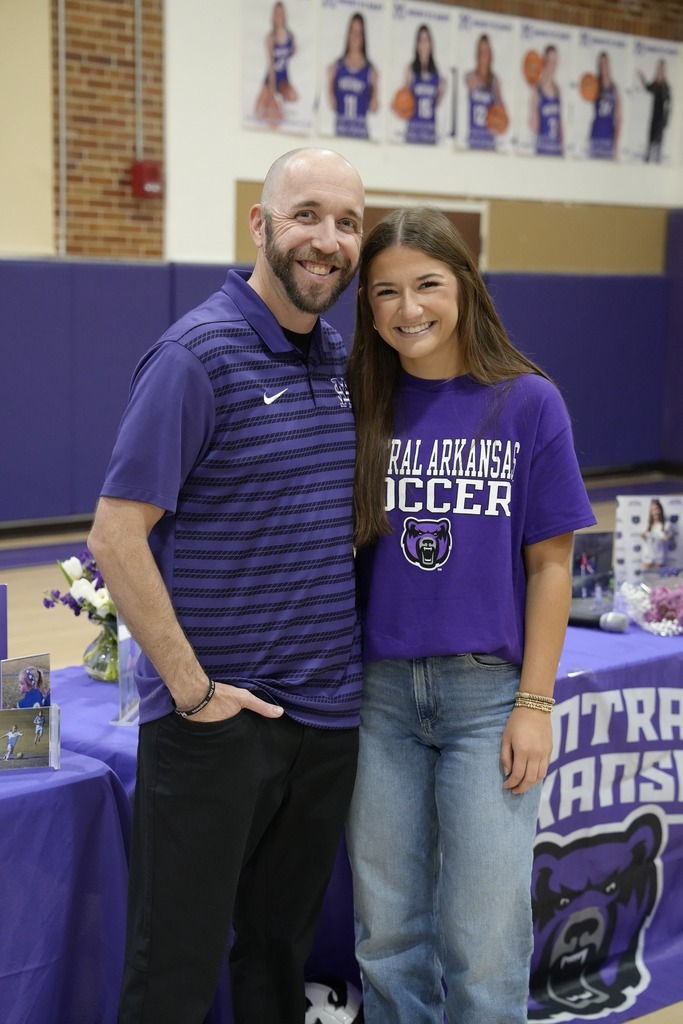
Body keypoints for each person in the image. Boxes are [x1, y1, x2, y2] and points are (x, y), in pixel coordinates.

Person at [87, 147, 365, 1024]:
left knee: (278, 957)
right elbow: (115, 536)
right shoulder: (195, 354)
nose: (327, 240)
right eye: (307, 215)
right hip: (217, 727)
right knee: (174, 970)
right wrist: (194, 692)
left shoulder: (336, 357)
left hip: (324, 724)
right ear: (261, 224)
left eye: (348, 223)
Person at [345, 206, 596, 1024]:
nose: (406, 308)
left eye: (426, 285)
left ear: (463, 286)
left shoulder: (526, 402)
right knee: (386, 934)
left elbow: (550, 565)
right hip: (377, 698)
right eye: (385, 292)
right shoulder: (360, 402)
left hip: (487, 698)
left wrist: (533, 702)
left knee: (483, 938)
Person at [327, 11, 379, 139]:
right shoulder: (338, 66)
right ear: (348, 34)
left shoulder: (369, 69)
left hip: (361, 135)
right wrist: (329, 81)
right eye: (352, 32)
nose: (355, 37)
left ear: (363, 37)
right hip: (340, 133)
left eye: (359, 33)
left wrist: (376, 85)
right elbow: (333, 105)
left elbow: (374, 108)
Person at [401, 24, 446, 146]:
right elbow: (402, 103)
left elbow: (436, 104)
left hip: (429, 133)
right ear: (417, 45)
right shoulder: (411, 70)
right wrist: (406, 84)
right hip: (413, 132)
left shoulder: (436, 73)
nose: (424, 44)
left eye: (426, 40)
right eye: (421, 40)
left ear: (431, 44)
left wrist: (443, 90)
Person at [254, 1, 299, 122]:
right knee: (258, 112)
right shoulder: (269, 38)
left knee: (294, 97)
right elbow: (271, 67)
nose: (279, 16)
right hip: (271, 78)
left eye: (281, 13)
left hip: (283, 78)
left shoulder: (291, 36)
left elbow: (292, 51)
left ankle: (279, 101)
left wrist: (294, 50)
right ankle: (274, 101)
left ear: (285, 16)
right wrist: (271, 92)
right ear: (273, 16)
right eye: (277, 13)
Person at [465, 33, 507, 151]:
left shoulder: (495, 82)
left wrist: (499, 118)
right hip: (473, 142)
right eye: (480, 50)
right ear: (477, 53)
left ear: (490, 54)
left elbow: (502, 109)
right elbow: (468, 80)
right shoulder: (471, 76)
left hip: (489, 143)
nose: (483, 54)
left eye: (486, 51)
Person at [530, 44, 563, 156]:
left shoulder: (558, 89)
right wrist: (533, 106)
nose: (553, 66)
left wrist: (563, 150)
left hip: (556, 151)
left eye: (555, 62)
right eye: (550, 62)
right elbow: (534, 127)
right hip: (543, 151)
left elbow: (560, 123)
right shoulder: (537, 90)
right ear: (544, 62)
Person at [638, 59, 671, 163]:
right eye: (659, 69)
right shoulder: (655, 85)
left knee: (658, 142)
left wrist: (666, 120)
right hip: (654, 117)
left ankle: (657, 160)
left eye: (662, 69)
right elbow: (648, 88)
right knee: (651, 139)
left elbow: (668, 104)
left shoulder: (665, 86)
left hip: (661, 119)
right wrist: (642, 78)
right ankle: (647, 159)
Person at [589, 51, 621, 159]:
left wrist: (615, 141)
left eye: (604, 63)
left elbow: (618, 116)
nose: (603, 66)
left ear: (608, 65)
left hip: (608, 135)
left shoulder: (614, 88)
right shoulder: (595, 85)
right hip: (596, 133)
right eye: (600, 64)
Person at [641, 498, 672, 571]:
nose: (655, 512)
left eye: (656, 509)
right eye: (652, 510)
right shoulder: (648, 525)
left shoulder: (666, 525)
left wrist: (667, 538)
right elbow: (645, 537)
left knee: (657, 579)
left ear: (660, 510)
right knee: (645, 578)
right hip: (647, 555)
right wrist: (643, 535)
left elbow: (669, 538)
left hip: (659, 556)